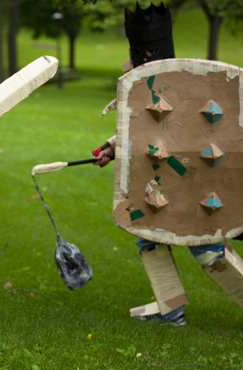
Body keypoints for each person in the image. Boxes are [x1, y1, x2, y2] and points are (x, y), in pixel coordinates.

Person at [92, 3, 225, 327]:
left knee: (204, 245)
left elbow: (181, 129)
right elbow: (144, 125)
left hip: (184, 180)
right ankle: (172, 311)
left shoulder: (181, 84)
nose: (145, 58)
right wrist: (112, 146)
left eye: (150, 51)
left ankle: (174, 311)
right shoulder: (146, 86)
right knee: (148, 238)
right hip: (156, 184)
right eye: (141, 52)